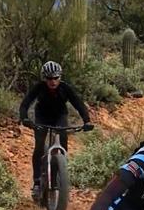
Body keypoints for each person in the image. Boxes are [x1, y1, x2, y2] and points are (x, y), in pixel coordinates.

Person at [19, 61, 92, 202]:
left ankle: (60, 171)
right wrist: (25, 118)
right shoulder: (39, 88)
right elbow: (25, 103)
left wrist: (87, 120)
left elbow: (78, 104)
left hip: (59, 115)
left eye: (56, 78)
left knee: (63, 140)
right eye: (49, 78)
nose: (53, 81)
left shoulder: (65, 88)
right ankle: (37, 181)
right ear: (44, 78)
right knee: (39, 145)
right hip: (42, 116)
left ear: (60, 77)